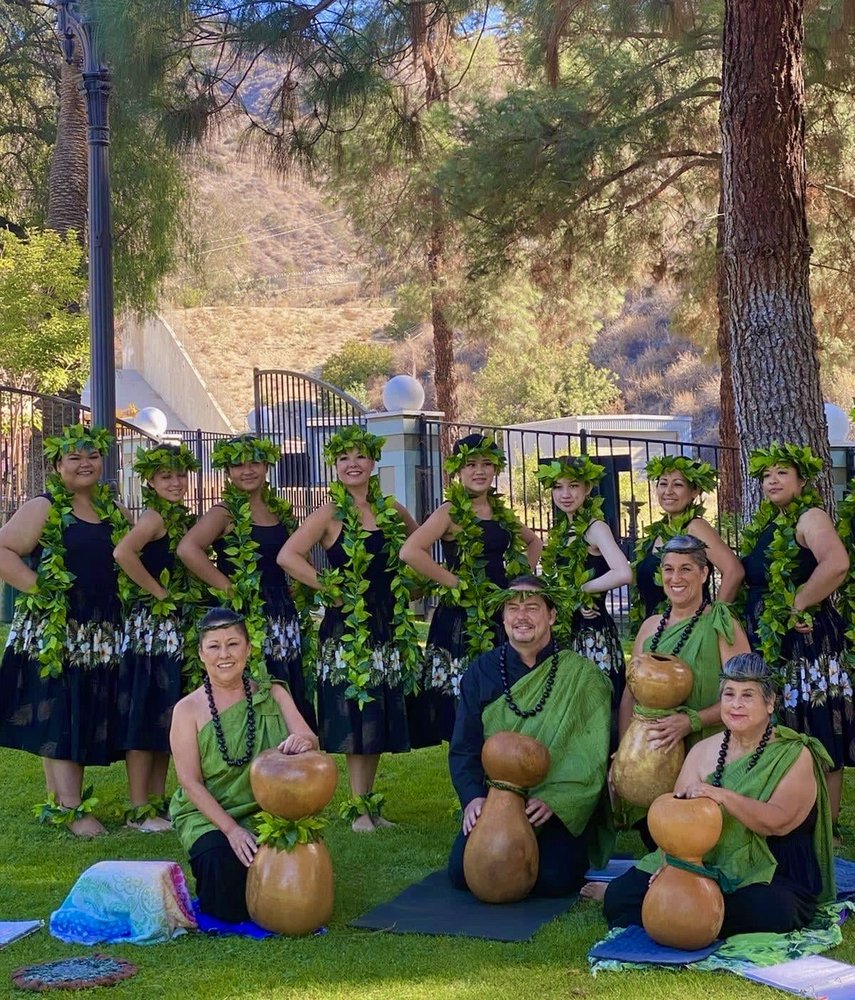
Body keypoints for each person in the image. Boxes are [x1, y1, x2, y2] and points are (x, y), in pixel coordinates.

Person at [603, 653, 835, 937]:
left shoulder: (795, 753)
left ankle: (689, 914)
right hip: (705, 860)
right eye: (729, 694)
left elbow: (777, 821)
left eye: (747, 695)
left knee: (772, 910)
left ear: (770, 702)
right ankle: (694, 911)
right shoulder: (703, 751)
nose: (736, 704)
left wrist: (722, 796)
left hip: (770, 867)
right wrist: (669, 866)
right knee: (618, 897)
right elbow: (677, 821)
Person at [277, 425, 420, 831]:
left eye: (360, 456)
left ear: (373, 462)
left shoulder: (392, 508)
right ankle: (358, 809)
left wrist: (410, 586)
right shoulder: (328, 513)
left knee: (376, 710)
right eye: (344, 458)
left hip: (386, 621)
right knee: (357, 711)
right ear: (335, 466)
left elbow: (418, 547)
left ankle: (369, 804)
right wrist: (329, 589)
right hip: (348, 625)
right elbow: (289, 556)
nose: (353, 464)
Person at [0, 424, 130, 837]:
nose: (85, 463)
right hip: (58, 627)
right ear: (58, 465)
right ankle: (73, 810)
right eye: (73, 457)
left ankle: (59, 802)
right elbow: (3, 549)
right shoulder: (44, 507)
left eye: (91, 456)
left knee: (70, 708)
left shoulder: (112, 508)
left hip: (99, 629)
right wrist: (40, 589)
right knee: (64, 709)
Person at [448, 576, 611, 897]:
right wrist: (472, 799)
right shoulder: (482, 672)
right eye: (513, 608)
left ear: (551, 616)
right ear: (504, 618)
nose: (521, 617)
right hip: (497, 801)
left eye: (532, 608)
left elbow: (592, 755)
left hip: (555, 804)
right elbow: (464, 746)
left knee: (555, 880)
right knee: (461, 873)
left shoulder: (583, 677)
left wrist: (557, 800)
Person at [170, 607, 318, 924]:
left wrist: (304, 742)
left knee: (290, 876)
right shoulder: (187, 710)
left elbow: (309, 738)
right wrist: (232, 830)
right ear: (201, 654)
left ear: (248, 649)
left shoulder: (273, 693)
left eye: (233, 644)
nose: (224, 654)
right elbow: (190, 782)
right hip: (208, 816)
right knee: (225, 890)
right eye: (214, 646)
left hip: (266, 811)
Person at [400, 434, 542, 748]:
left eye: (487, 464)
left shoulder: (500, 513)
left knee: (500, 697)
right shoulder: (450, 511)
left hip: (498, 613)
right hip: (461, 619)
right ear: (457, 470)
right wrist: (453, 582)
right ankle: (469, 789)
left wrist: (519, 582)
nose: (479, 471)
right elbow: (411, 550)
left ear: (496, 469)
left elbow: (534, 542)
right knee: (462, 705)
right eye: (471, 464)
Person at [741, 443, 853, 826]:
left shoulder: (810, 516)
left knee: (817, 730)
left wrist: (797, 605)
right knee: (782, 729)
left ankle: (827, 829)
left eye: (782, 473)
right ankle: (787, 821)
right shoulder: (769, 524)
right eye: (766, 475)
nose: (772, 481)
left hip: (806, 646)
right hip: (771, 642)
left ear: (803, 480)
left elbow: (837, 563)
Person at [176, 434, 314, 727]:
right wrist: (227, 587)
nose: (247, 470)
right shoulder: (223, 513)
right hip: (243, 612)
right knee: (249, 683)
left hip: (280, 613)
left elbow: (296, 555)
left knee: (283, 681)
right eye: (238, 465)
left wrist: (295, 587)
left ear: (267, 466)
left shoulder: (280, 511)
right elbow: (188, 549)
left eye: (255, 463)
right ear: (227, 472)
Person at [114, 443, 202, 832]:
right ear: (150, 480)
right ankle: (138, 808)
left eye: (181, 475)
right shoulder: (152, 518)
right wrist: (159, 593)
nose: (176, 482)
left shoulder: (178, 518)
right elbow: (123, 553)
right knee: (145, 710)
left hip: (171, 631)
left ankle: (156, 801)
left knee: (166, 712)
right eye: (166, 476)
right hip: (150, 630)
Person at [536, 455, 631, 718]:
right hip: (568, 627)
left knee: (594, 706)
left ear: (588, 488)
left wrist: (582, 590)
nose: (565, 494)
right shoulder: (563, 529)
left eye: (574, 485)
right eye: (558, 486)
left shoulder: (595, 527)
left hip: (593, 632)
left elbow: (623, 573)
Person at [630, 455, 743, 626]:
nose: (668, 491)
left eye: (677, 484)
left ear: (694, 491)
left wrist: (715, 620)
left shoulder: (695, 527)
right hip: (657, 632)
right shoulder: (658, 533)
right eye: (663, 483)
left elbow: (734, 571)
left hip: (689, 631)